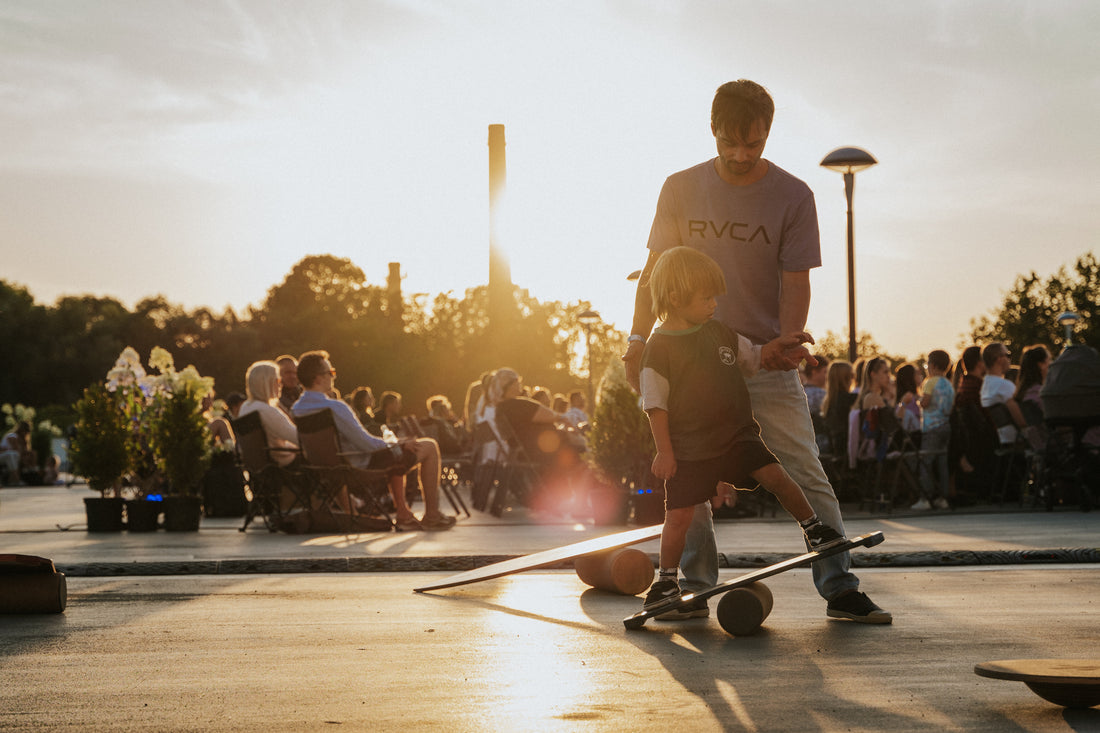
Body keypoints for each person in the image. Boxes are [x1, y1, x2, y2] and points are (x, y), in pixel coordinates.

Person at [623, 79, 890, 623]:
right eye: (731, 143)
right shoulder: (679, 187)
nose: (742, 155)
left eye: (754, 143)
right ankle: (692, 588)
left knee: (803, 469)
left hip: (762, 356)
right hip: (689, 356)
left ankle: (839, 586)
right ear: (714, 130)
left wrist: (787, 338)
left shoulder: (793, 196)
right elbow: (653, 273)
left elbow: (796, 279)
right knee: (689, 480)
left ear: (767, 133)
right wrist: (636, 339)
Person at [637, 247, 845, 612]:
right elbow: (656, 404)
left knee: (778, 476)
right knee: (679, 517)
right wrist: (665, 451)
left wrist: (780, 350)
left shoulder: (720, 332)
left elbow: (753, 357)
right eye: (706, 297)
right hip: (689, 449)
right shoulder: (659, 348)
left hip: (737, 436)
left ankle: (815, 529)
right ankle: (666, 581)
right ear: (674, 297)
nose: (714, 304)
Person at [291, 351, 455, 531]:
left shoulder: (298, 409)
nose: (333, 377)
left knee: (396, 453)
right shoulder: (334, 407)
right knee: (429, 446)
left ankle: (403, 513)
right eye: (330, 373)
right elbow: (367, 445)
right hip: (359, 467)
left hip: (325, 470)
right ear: (318, 378)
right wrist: (398, 443)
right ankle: (432, 515)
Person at [912, 350, 955, 510]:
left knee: (926, 462)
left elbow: (925, 402)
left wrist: (918, 400)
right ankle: (943, 497)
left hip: (931, 427)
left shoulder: (930, 382)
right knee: (942, 463)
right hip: (945, 426)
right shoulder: (949, 384)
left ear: (932, 365)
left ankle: (925, 498)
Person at [238, 360, 301, 467]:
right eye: (278, 380)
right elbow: (299, 438)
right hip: (285, 466)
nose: (281, 384)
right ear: (268, 383)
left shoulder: (246, 407)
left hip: (261, 467)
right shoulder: (267, 411)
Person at [980, 343, 1026, 445]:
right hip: (1015, 439)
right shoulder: (1004, 386)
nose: (1010, 359)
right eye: (1008, 355)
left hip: (998, 439)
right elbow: (1022, 421)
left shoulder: (984, 386)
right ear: (999, 359)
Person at [1, 421, 34, 486]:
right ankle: (16, 479)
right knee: (12, 454)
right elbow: (16, 449)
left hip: (10, 457)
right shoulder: (12, 436)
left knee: (14, 455)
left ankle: (12, 479)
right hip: (2, 456)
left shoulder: (23, 441)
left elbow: (25, 452)